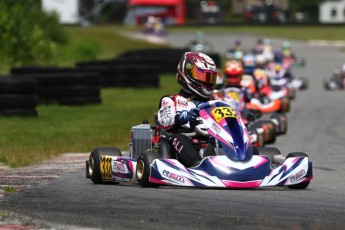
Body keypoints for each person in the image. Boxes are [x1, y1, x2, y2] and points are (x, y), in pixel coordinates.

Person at [156, 52, 217, 167]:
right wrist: (182, 117)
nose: (207, 82)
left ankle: (242, 161)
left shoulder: (214, 103)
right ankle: (198, 164)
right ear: (187, 74)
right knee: (178, 138)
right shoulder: (171, 100)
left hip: (211, 139)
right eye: (204, 77)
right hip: (182, 143)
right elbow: (165, 121)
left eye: (210, 78)